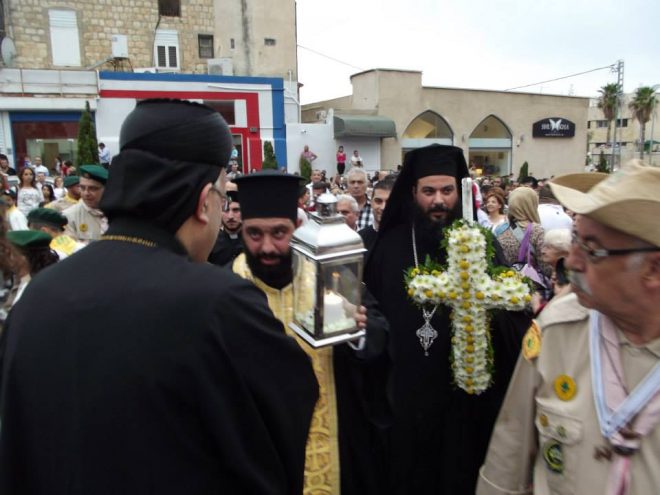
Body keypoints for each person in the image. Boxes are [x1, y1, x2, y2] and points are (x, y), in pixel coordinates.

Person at [0, 99, 318, 494]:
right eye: (222, 197)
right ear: (204, 202)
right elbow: (280, 418)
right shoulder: (219, 304)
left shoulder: (37, 296)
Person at [477, 161, 660, 495]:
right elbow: (508, 455)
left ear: (653, 269)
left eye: (592, 249)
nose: (572, 261)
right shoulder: (557, 327)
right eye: (575, 239)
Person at [364, 144, 531, 495]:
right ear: (413, 192)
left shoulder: (481, 245)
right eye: (429, 191)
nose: (438, 200)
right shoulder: (390, 247)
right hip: (405, 399)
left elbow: (510, 314)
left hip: (464, 402)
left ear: (460, 192)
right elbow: (372, 316)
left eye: (446, 190)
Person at [232, 171, 389, 495]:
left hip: (333, 438)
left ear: (297, 228)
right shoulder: (227, 286)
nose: (267, 247)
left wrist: (357, 332)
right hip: (257, 448)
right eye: (254, 234)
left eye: (279, 233)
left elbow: (378, 332)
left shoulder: (330, 271)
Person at [63, 165, 108, 243]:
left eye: (93, 188)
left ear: (107, 189)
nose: (86, 193)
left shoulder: (120, 213)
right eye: (82, 188)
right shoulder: (68, 216)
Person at [359, 175, 395, 251]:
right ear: (371, 202)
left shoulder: (410, 237)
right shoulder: (360, 238)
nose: (383, 207)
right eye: (378, 201)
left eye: (389, 202)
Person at [208, 189, 243, 266]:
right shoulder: (211, 242)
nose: (230, 216)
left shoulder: (252, 241)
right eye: (226, 210)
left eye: (236, 210)